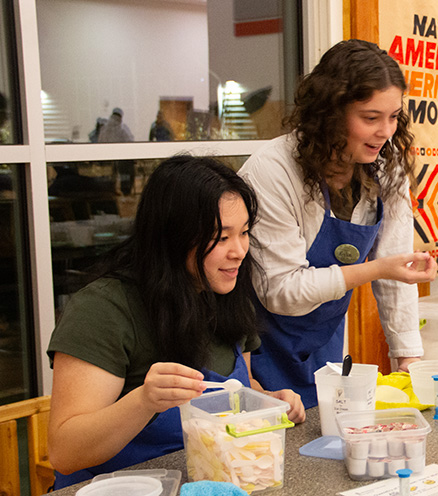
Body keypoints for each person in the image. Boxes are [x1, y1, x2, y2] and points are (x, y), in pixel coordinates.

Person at [46, 155, 305, 489]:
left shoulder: (224, 288)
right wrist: (143, 401)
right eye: (221, 237)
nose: (239, 250)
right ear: (172, 236)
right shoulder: (103, 310)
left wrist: (268, 401)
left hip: (211, 483)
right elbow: (65, 451)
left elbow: (239, 388)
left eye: (244, 233)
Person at [237, 39, 436, 409]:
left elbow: (397, 269)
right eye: (370, 118)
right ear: (329, 114)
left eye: (393, 117)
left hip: (323, 349)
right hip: (260, 348)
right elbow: (281, 291)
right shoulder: (273, 171)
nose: (386, 132)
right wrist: (374, 269)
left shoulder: (385, 166)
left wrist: (407, 357)